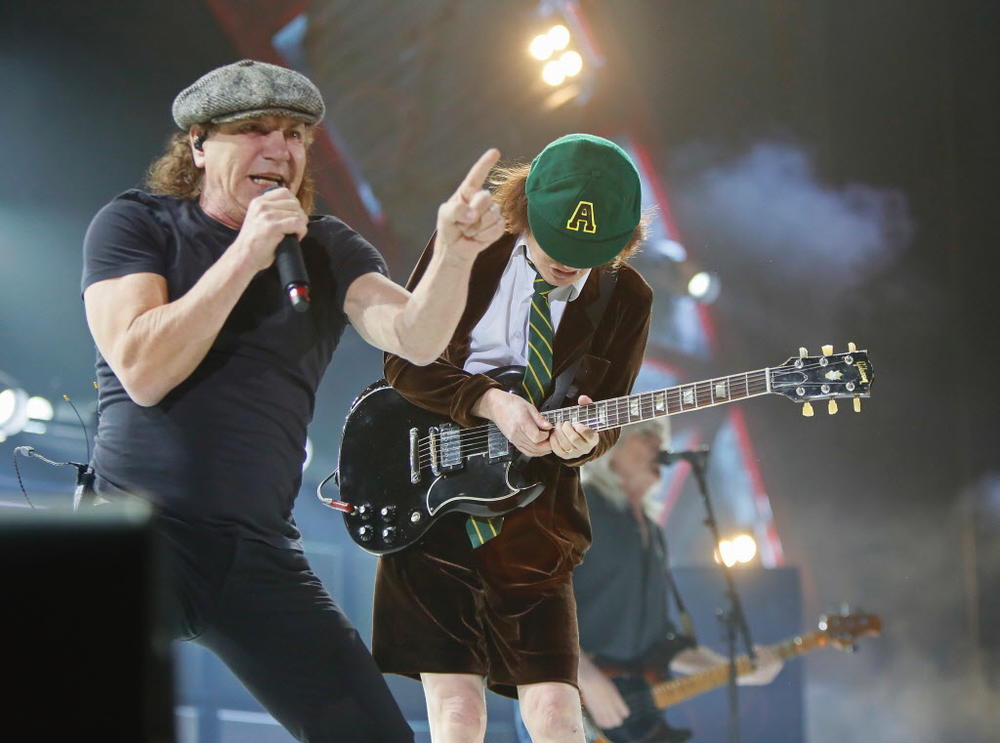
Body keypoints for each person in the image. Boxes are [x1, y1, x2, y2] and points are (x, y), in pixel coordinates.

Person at [80, 59, 505, 743]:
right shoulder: (137, 223)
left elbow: (416, 338)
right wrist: (246, 253)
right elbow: (142, 368)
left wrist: (454, 254)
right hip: (137, 533)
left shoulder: (326, 247)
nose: (281, 149)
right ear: (197, 143)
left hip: (254, 553)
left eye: (296, 134)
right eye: (256, 129)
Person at [372, 133, 654, 743]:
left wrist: (585, 443)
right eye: (558, 241)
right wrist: (489, 401)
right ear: (526, 209)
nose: (569, 263)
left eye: (590, 252)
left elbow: (607, 416)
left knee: (558, 715)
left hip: (537, 516)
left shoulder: (627, 297)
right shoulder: (472, 246)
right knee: (458, 713)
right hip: (434, 495)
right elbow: (402, 362)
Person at [571, 420, 784, 743]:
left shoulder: (652, 532)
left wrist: (737, 670)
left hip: (631, 722)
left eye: (661, 439)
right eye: (647, 437)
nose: (659, 446)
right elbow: (538, 602)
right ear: (610, 448)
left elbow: (659, 645)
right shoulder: (580, 509)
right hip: (569, 702)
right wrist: (586, 677)